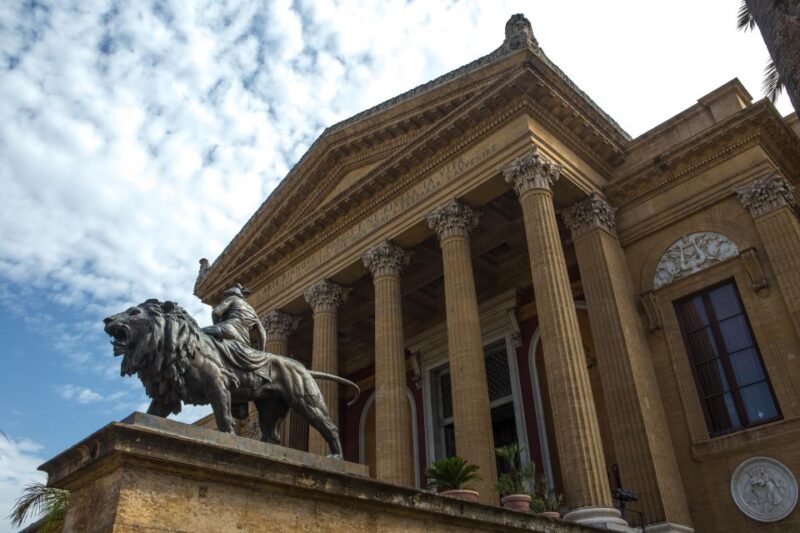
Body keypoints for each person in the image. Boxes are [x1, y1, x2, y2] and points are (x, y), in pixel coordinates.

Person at [202, 284, 266, 352]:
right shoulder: (253, 311)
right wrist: (262, 351)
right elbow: (261, 331)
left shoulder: (233, 298)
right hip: (245, 342)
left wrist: (217, 326)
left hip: (229, 330)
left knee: (198, 332)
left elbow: (215, 312)